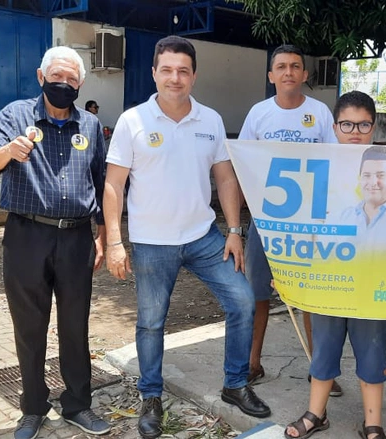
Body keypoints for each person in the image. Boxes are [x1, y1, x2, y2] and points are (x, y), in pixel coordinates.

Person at [103, 36, 271, 439]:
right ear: (154, 73)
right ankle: (151, 397)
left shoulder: (210, 120)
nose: (174, 78)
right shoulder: (133, 122)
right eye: (167, 70)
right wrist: (113, 239)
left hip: (203, 236)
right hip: (151, 242)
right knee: (150, 323)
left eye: (183, 70)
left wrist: (234, 231)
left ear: (194, 75)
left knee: (243, 300)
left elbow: (225, 177)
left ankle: (234, 384)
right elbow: (114, 185)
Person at [0, 46, 111, 439]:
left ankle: (78, 405)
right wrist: (8, 151)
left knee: (75, 326)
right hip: (26, 236)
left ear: (81, 83)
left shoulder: (89, 126)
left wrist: (102, 234)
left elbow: (100, 181)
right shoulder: (15, 116)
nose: (63, 84)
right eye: (57, 77)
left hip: (76, 238)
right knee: (30, 327)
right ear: (41, 77)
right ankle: (33, 409)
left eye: (72, 79)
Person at [284, 91, 386, 439]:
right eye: (347, 124)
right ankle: (316, 414)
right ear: (335, 126)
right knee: (325, 346)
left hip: (372, 279)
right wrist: (291, 268)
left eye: (363, 124)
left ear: (374, 126)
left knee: (372, 349)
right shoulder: (317, 167)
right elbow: (300, 222)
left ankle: (373, 422)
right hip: (328, 278)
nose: (355, 131)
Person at [238, 44, 341, 396]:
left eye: (295, 66)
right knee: (257, 297)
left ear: (305, 75)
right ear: (271, 76)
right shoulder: (258, 114)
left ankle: (321, 369)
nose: (288, 72)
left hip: (308, 225)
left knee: (311, 299)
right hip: (266, 224)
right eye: (281, 67)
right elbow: (243, 167)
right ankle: (251, 363)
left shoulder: (321, 113)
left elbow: (334, 164)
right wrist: (238, 225)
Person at [337, 144, 386, 259]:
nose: (373, 182)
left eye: (380, 175)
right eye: (367, 175)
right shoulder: (343, 217)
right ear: (360, 177)